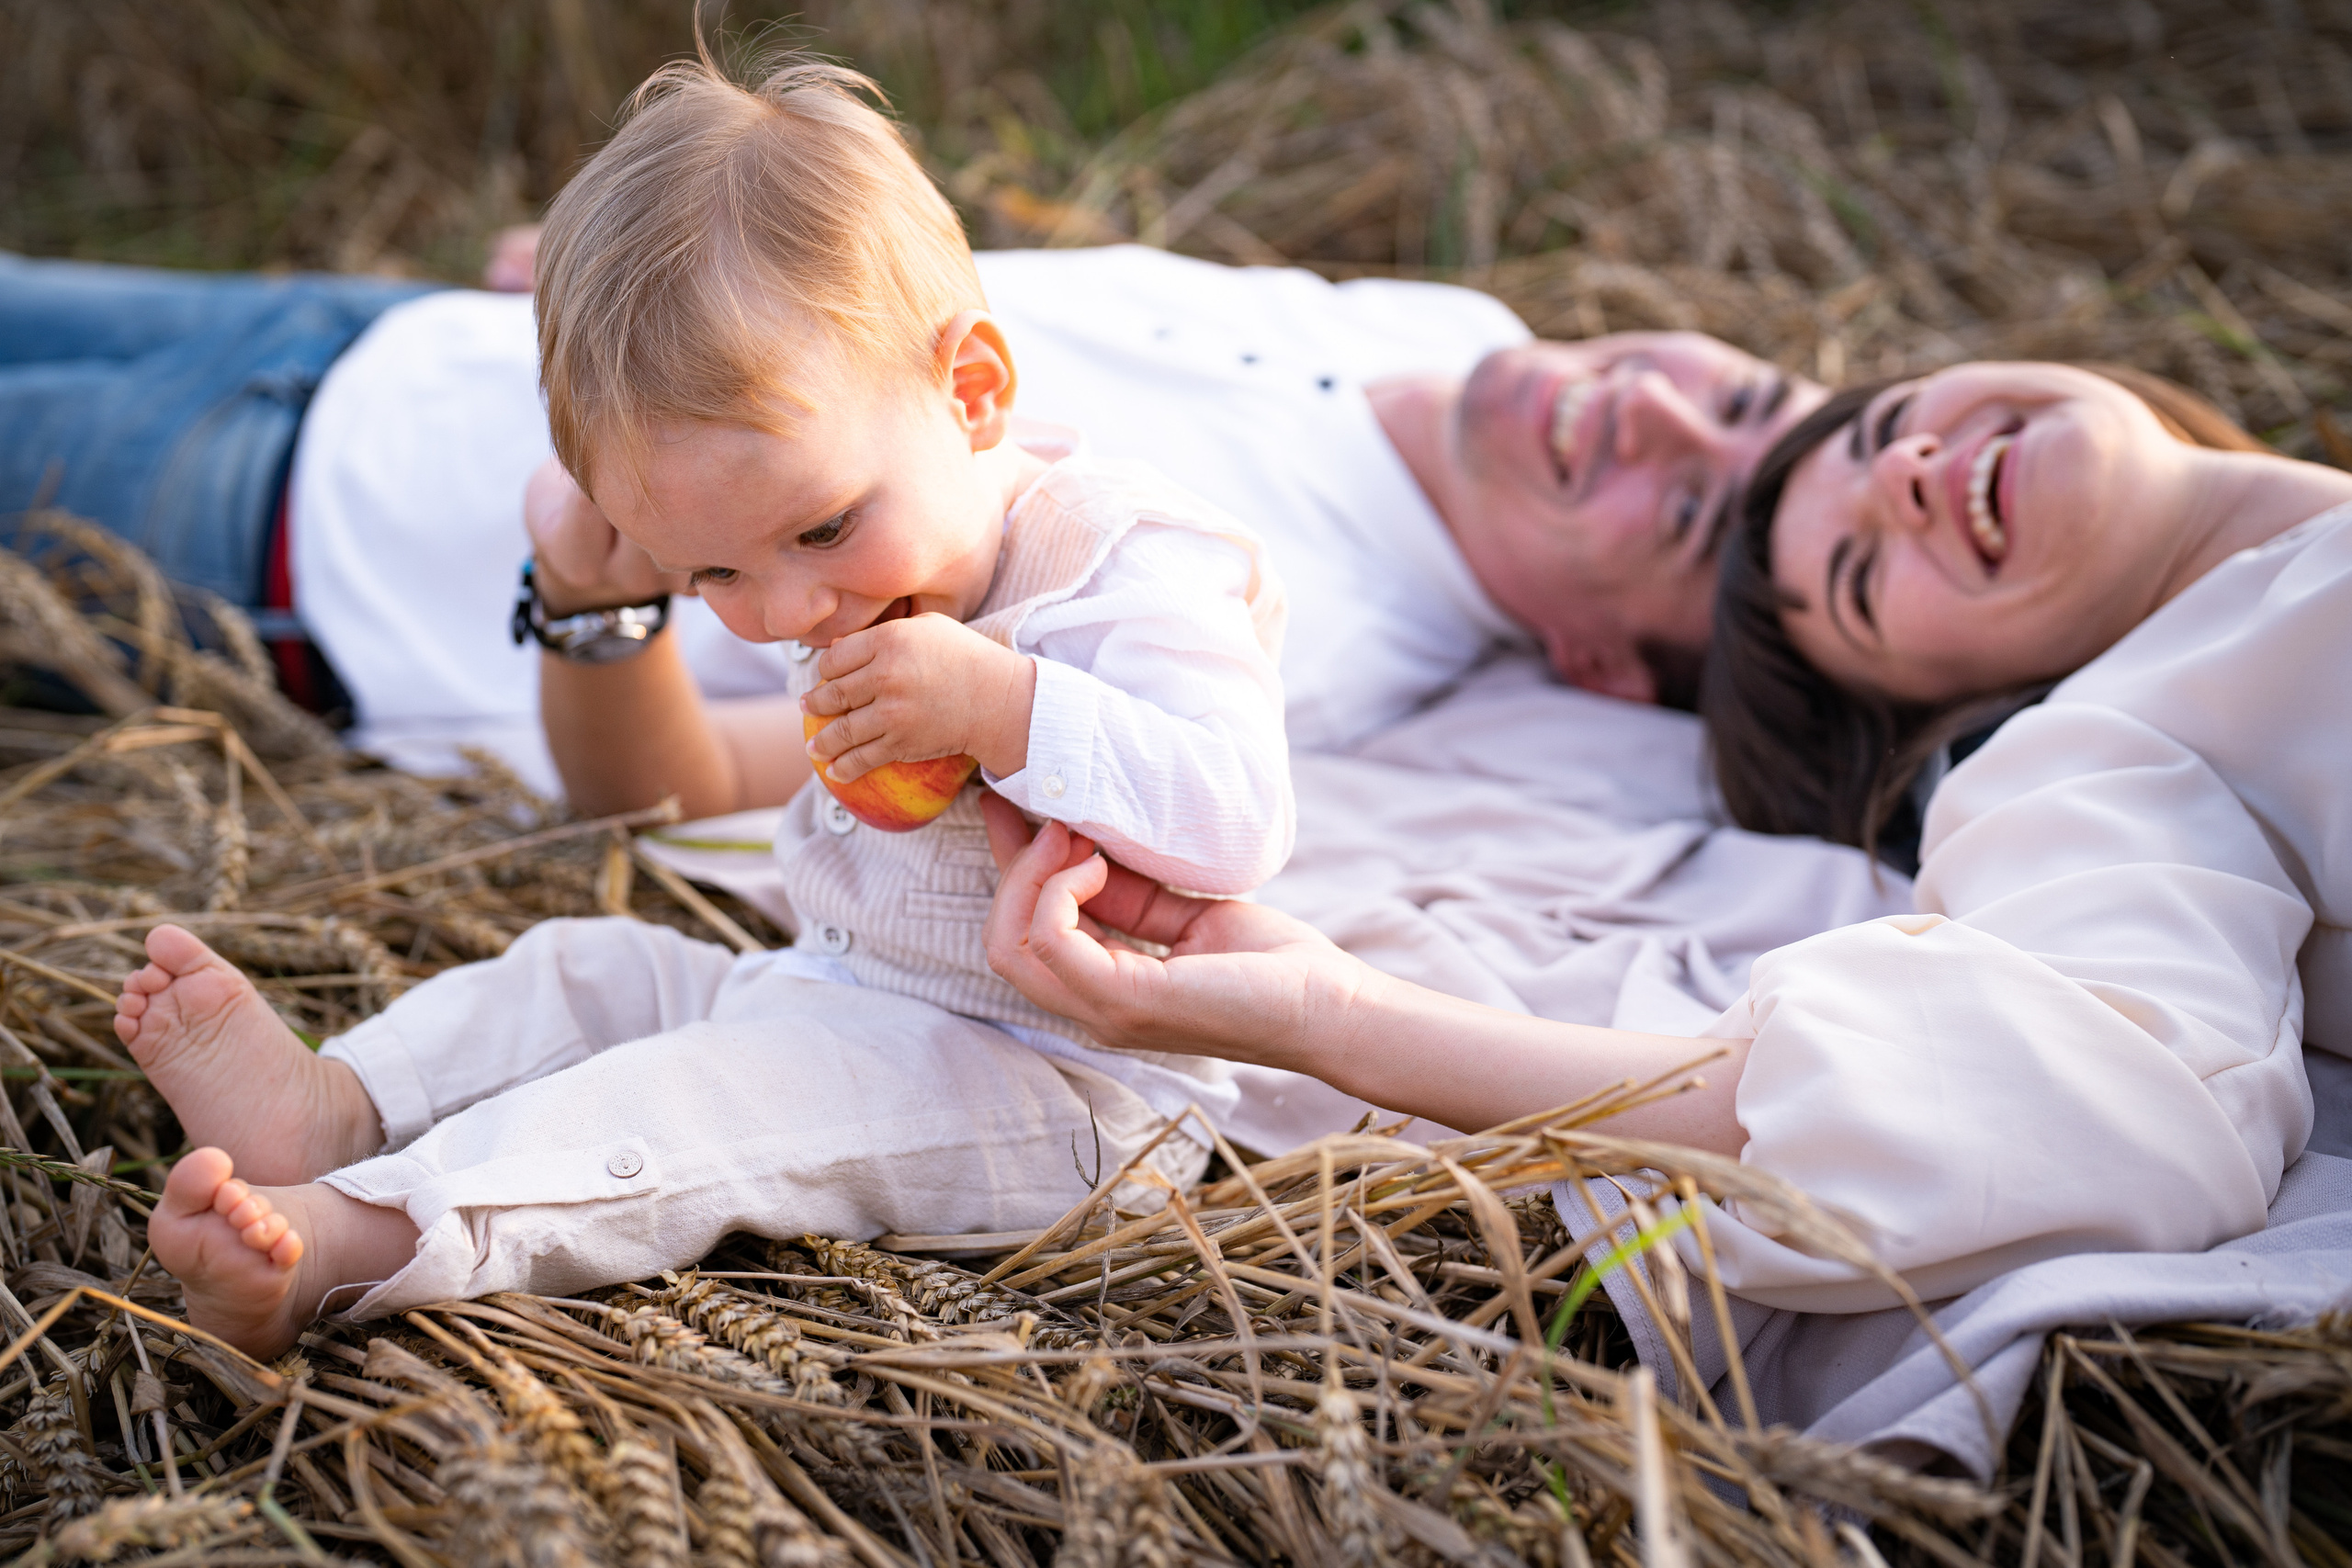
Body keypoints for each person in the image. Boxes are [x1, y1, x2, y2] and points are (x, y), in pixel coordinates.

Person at [110, 54, 1295, 1359]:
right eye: (715, 574)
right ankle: (343, 1105)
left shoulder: (1131, 563)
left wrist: (1008, 705)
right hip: (829, 988)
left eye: (822, 529)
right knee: (589, 971)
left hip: (1068, 1090)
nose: (784, 613)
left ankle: (369, 1242)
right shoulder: (860, 563)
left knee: (701, 1109)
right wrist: (596, 580)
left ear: (971, 394)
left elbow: (1237, 822)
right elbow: (684, 767)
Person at [977, 359, 2351, 1312]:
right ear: (1951, 712)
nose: (1916, 474)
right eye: (1870, 580)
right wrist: (1336, 1014)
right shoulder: (2111, 756)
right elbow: (2060, 1097)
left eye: (1884, 432)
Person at [3, 247, 1821, 789]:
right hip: (367, 332)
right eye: (1732, 393)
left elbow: (688, 789)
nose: (1651, 409)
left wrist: (585, 590)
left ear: (1594, 655)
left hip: (257, 544)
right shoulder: (1462, 336)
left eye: (1682, 506)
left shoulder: (1263, 629)